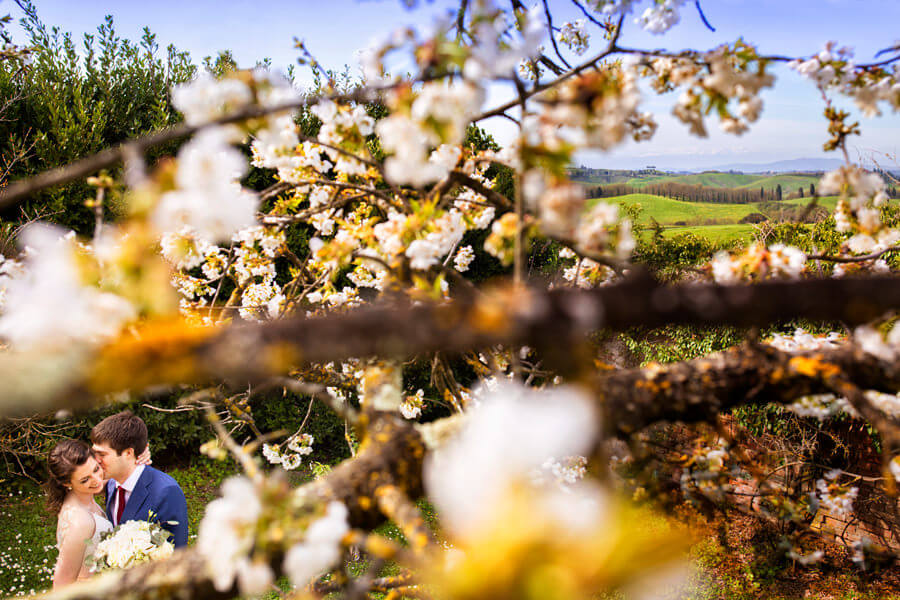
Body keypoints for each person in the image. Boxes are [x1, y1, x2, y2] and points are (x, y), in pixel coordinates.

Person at [47, 438, 155, 589]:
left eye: (96, 469)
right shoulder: (81, 522)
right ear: (66, 483)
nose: (97, 479)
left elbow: (110, 480)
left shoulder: (81, 495)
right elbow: (61, 586)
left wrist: (136, 458)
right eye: (85, 480)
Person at [90, 411, 189, 548]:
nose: (95, 461)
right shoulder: (111, 484)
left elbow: (177, 550)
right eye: (94, 453)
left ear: (128, 453)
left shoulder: (166, 491)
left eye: (102, 454)